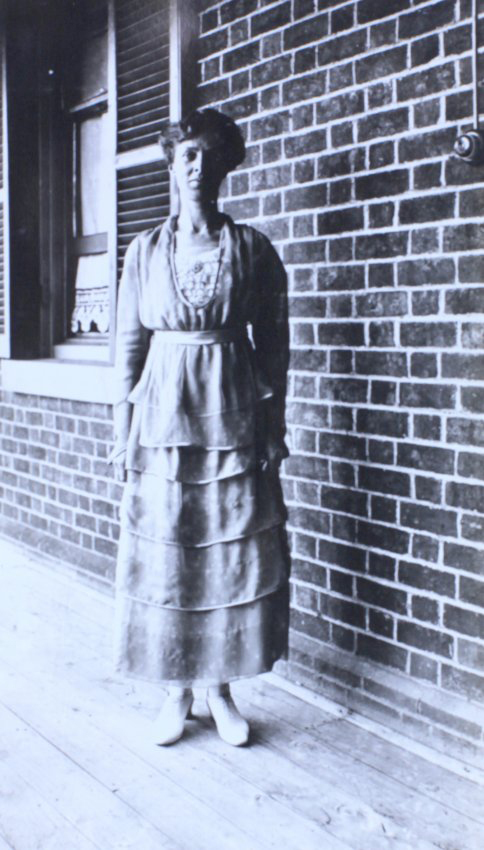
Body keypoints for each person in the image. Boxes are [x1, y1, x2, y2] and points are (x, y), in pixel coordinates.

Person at [107, 108, 290, 747]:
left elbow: (274, 347)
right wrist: (121, 432)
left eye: (209, 156)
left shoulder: (254, 251)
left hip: (233, 409)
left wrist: (273, 427)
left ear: (225, 168)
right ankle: (174, 691)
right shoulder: (143, 251)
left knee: (229, 545)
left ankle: (219, 690)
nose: (196, 166)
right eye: (186, 154)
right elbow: (126, 351)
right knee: (169, 546)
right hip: (162, 414)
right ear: (171, 164)